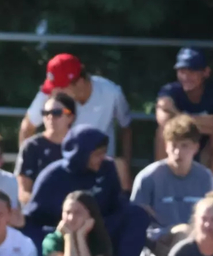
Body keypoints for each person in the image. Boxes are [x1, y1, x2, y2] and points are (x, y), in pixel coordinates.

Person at [23, 125, 150, 256]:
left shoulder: (107, 168)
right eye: (97, 154)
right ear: (80, 153)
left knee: (137, 215)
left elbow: (117, 205)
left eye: (103, 153)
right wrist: (56, 239)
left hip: (99, 230)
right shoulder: (52, 176)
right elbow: (32, 219)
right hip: (64, 235)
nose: (102, 158)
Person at [18, 54, 133, 191]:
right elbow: (27, 127)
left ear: (79, 82)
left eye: (60, 86)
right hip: (62, 173)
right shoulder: (50, 94)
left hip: (100, 172)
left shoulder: (111, 93)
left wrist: (126, 168)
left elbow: (126, 127)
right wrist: (26, 172)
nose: (55, 91)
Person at [132, 115, 213, 256]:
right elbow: (134, 223)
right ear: (166, 146)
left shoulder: (206, 178)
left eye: (184, 146)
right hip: (157, 245)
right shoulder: (147, 177)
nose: (178, 152)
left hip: (197, 242)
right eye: (174, 145)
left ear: (196, 147)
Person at [155, 48, 213, 189]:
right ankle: (161, 187)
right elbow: (164, 121)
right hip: (177, 145)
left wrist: (178, 115)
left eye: (192, 71)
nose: (186, 76)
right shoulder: (169, 90)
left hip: (205, 148)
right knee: (162, 132)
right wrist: (207, 124)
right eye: (182, 71)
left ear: (206, 72)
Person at [15, 92, 78, 205]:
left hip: (74, 209)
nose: (50, 117)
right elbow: (23, 192)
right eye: (45, 113)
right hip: (40, 209)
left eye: (57, 113)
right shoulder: (31, 146)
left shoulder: (79, 146)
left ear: (71, 117)